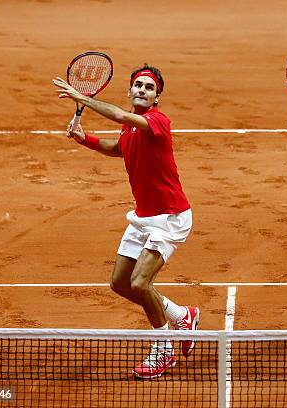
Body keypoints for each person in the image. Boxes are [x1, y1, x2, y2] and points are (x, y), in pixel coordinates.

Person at [53, 64, 199, 379]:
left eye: (149, 87)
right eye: (138, 86)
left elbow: (120, 116)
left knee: (140, 283)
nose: (142, 90)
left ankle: (163, 349)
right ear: (130, 90)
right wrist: (85, 139)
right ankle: (181, 315)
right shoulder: (131, 129)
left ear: (157, 96)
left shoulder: (157, 121)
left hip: (170, 218)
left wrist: (82, 98)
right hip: (143, 217)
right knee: (120, 283)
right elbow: (120, 148)